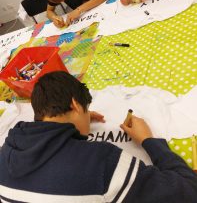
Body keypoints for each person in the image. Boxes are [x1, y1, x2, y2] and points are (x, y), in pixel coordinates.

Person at [0, 71, 197, 202]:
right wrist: (149, 141)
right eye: (86, 109)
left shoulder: (7, 149)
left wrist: (76, 123)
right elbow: (188, 191)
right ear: (76, 105)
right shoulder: (101, 162)